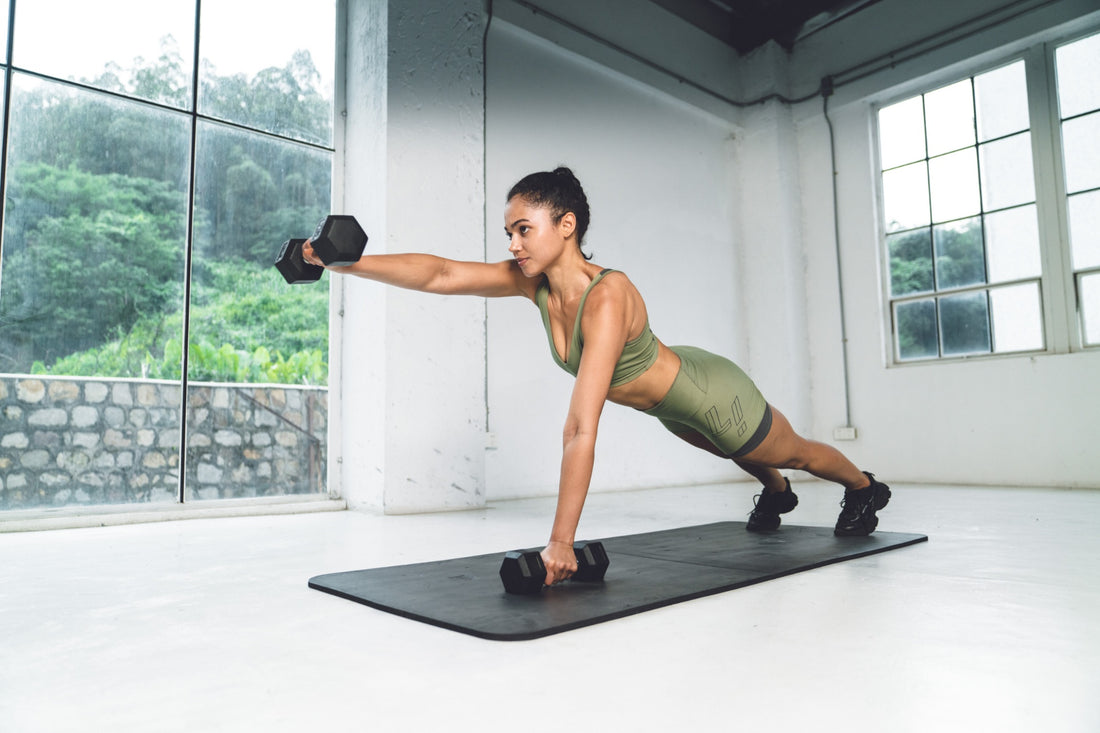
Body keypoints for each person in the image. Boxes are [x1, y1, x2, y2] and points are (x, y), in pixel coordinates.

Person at [303, 167, 891, 587]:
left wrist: (561, 540)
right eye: (508, 231)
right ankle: (778, 495)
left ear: (566, 224)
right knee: (723, 447)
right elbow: (441, 275)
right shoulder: (531, 280)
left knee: (786, 450)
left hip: (713, 392)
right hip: (668, 404)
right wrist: (342, 262)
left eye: (523, 229)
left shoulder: (608, 297)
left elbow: (581, 426)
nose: (512, 243)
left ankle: (864, 489)